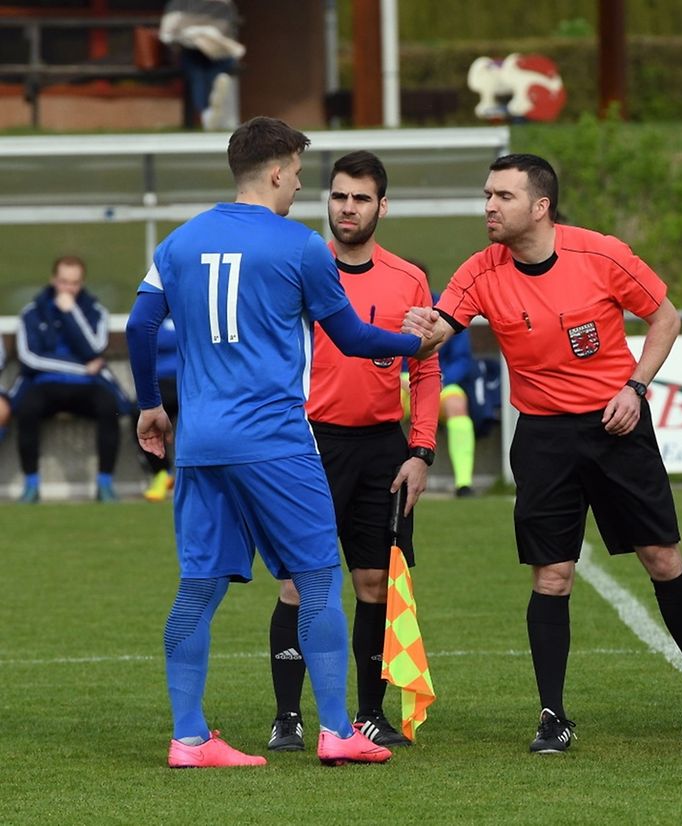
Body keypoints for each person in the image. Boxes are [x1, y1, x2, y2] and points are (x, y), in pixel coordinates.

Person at [402, 153, 682, 753]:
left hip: (616, 427)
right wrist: (416, 327)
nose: (489, 206)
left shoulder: (601, 254)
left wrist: (635, 388)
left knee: (662, 558)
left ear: (540, 206)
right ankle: (552, 714)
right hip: (544, 438)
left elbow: (665, 315)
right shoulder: (480, 270)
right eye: (487, 195)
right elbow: (438, 331)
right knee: (552, 575)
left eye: (503, 196)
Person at [125, 116, 424, 769]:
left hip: (200, 441)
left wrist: (151, 404)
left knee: (197, 587)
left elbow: (140, 324)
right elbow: (351, 338)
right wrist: (415, 342)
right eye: (298, 175)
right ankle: (338, 729)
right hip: (274, 439)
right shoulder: (299, 246)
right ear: (279, 171)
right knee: (318, 579)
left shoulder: (176, 244)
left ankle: (189, 737)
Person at [266, 150, 439, 752]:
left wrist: (421, 451)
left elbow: (426, 368)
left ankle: (367, 714)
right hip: (307, 444)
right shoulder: (297, 265)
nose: (348, 208)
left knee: (373, 582)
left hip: (381, 450)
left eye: (361, 198)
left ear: (381, 207)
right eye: (339, 196)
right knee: (297, 581)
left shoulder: (408, 278)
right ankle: (287, 717)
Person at [11, 256, 127, 503]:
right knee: (27, 408)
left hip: (86, 388)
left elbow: (95, 347)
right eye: (63, 282)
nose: (68, 288)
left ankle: (105, 483)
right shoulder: (32, 313)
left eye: (74, 283)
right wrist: (82, 369)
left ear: (82, 283)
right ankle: (31, 484)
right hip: (45, 383)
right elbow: (31, 358)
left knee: (109, 407)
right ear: (54, 280)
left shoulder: (95, 311)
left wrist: (71, 313)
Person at [159, 0, 244, 130]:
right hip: (200, 51)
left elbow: (169, 31)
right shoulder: (224, 4)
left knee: (198, 75)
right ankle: (210, 103)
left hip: (209, 51)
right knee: (209, 72)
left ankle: (204, 111)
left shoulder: (180, 3)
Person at [435, 292, 478, 497]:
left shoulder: (446, 309)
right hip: (398, 384)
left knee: (457, 405)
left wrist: (440, 380)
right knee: (375, 403)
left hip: (439, 381)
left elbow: (462, 358)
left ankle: (463, 483)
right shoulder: (391, 304)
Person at [141, 317, 179, 502]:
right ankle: (162, 474)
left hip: (191, 379)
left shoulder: (193, 304)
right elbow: (141, 334)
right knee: (141, 415)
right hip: (160, 382)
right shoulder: (154, 310)